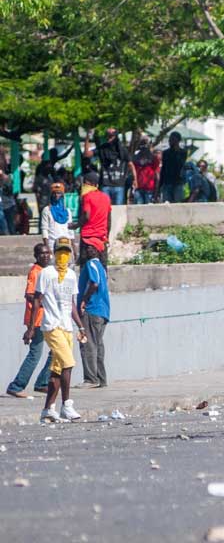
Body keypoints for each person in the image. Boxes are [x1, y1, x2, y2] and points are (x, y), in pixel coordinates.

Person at [24, 236, 87, 423]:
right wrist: (31, 328)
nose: (63, 255)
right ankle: (67, 405)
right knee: (69, 363)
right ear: (54, 253)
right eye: (60, 252)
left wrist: (81, 326)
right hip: (51, 326)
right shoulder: (47, 273)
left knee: (57, 371)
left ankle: (48, 410)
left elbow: (72, 304)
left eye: (66, 252)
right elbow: (36, 300)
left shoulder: (70, 275)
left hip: (67, 327)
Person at [6, 243, 52, 398]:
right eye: (42, 254)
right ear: (36, 256)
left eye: (47, 253)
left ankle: (42, 382)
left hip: (47, 318)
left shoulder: (47, 271)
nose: (45, 256)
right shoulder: (35, 272)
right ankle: (17, 385)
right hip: (37, 320)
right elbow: (30, 295)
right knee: (35, 354)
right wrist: (47, 299)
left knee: (57, 351)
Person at [77, 243, 110, 388]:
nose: (88, 249)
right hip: (102, 311)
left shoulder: (91, 264)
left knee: (88, 343)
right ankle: (101, 379)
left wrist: (84, 299)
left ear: (97, 251)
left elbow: (94, 283)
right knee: (98, 344)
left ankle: (91, 379)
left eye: (91, 247)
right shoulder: (101, 267)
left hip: (92, 309)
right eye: (87, 247)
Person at [72, 172, 111, 268]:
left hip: (88, 239)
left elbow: (86, 216)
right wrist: (107, 237)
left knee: (86, 269)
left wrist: (75, 225)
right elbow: (109, 220)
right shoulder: (106, 197)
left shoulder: (87, 197)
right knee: (102, 269)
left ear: (87, 183)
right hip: (101, 239)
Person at [97, 128, 136, 205]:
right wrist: (88, 136)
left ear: (116, 137)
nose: (109, 138)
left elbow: (131, 164)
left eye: (111, 136)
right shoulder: (102, 149)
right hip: (106, 184)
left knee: (118, 210)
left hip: (119, 185)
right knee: (105, 207)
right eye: (108, 136)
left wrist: (135, 179)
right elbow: (87, 154)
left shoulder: (122, 149)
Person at [40, 182, 73, 253]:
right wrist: (47, 247)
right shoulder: (47, 210)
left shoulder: (67, 211)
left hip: (66, 244)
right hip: (52, 244)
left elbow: (70, 231)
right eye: (54, 193)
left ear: (62, 195)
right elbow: (44, 229)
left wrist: (74, 248)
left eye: (59, 193)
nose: (56, 195)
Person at [158, 132, 187, 203]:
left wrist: (176, 150)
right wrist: (160, 184)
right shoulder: (165, 153)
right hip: (167, 181)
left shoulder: (183, 152)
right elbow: (163, 168)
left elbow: (180, 164)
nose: (170, 141)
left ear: (178, 140)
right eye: (170, 139)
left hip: (178, 182)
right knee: (167, 203)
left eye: (172, 139)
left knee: (178, 203)